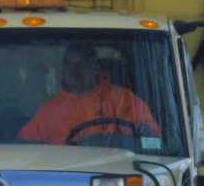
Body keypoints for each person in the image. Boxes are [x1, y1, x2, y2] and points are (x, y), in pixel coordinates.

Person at [18, 41, 161, 145]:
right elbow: (25, 149)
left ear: (96, 68)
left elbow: (155, 144)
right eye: (69, 64)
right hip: (65, 178)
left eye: (82, 64)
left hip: (113, 175)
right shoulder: (50, 111)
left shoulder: (125, 100)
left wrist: (144, 136)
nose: (75, 71)